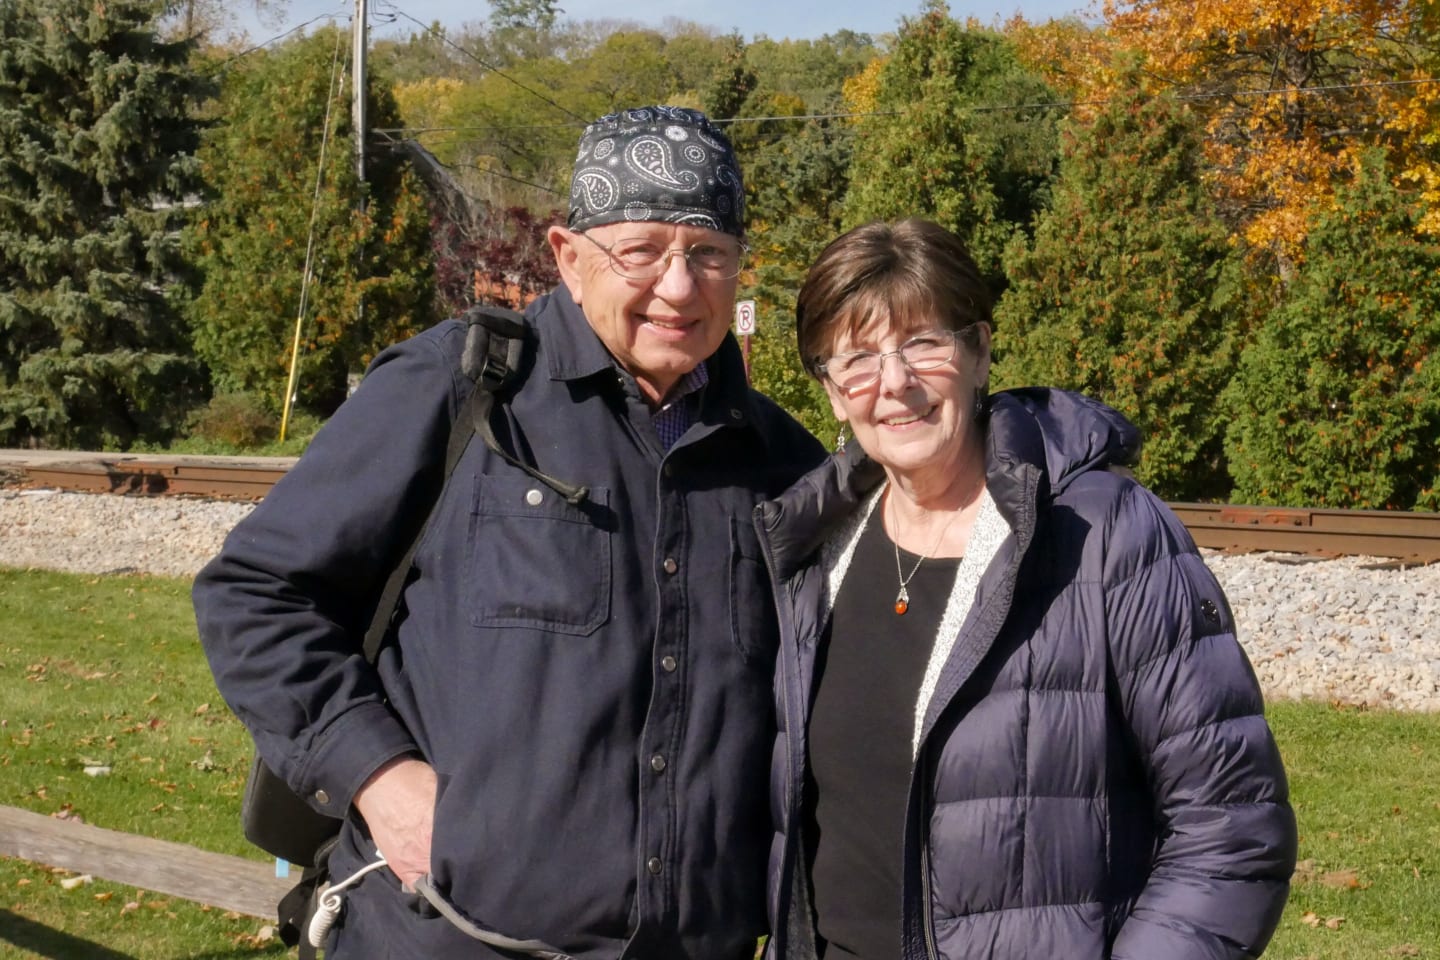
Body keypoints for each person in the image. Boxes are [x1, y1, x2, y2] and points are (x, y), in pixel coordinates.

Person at [193, 105, 825, 959]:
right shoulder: (463, 389)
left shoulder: (783, 461)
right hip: (440, 936)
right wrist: (378, 777)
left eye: (709, 255)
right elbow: (258, 594)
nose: (679, 287)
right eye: (641, 251)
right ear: (568, 255)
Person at [755, 218, 1297, 960]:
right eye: (856, 358)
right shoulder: (818, 544)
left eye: (924, 343)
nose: (894, 383)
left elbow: (1232, 822)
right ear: (830, 390)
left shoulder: (1105, 533)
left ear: (978, 351)